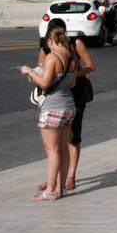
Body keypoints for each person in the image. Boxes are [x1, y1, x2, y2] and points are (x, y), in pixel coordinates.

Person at [33, 19, 96, 193]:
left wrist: (71, 73)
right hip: (53, 97)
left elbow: (91, 66)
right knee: (57, 144)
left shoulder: (76, 44)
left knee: (72, 138)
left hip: (74, 95)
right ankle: (54, 181)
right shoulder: (46, 49)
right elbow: (40, 68)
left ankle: (70, 176)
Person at [20, 25, 77, 201]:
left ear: (50, 41)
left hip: (52, 108)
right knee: (63, 148)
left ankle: (50, 191)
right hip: (69, 106)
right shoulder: (72, 57)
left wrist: (28, 71)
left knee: (52, 150)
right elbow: (72, 83)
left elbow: (44, 83)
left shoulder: (52, 57)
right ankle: (61, 188)